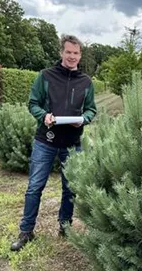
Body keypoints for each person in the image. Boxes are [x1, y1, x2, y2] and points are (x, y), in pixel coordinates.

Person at [11, 34, 97, 251]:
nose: (72, 56)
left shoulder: (86, 82)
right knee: (34, 187)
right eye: (68, 52)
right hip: (46, 140)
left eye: (76, 53)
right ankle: (26, 231)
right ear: (61, 52)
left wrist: (84, 119)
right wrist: (43, 116)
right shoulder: (45, 76)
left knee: (70, 188)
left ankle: (65, 226)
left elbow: (91, 109)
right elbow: (33, 103)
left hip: (72, 142)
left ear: (80, 55)